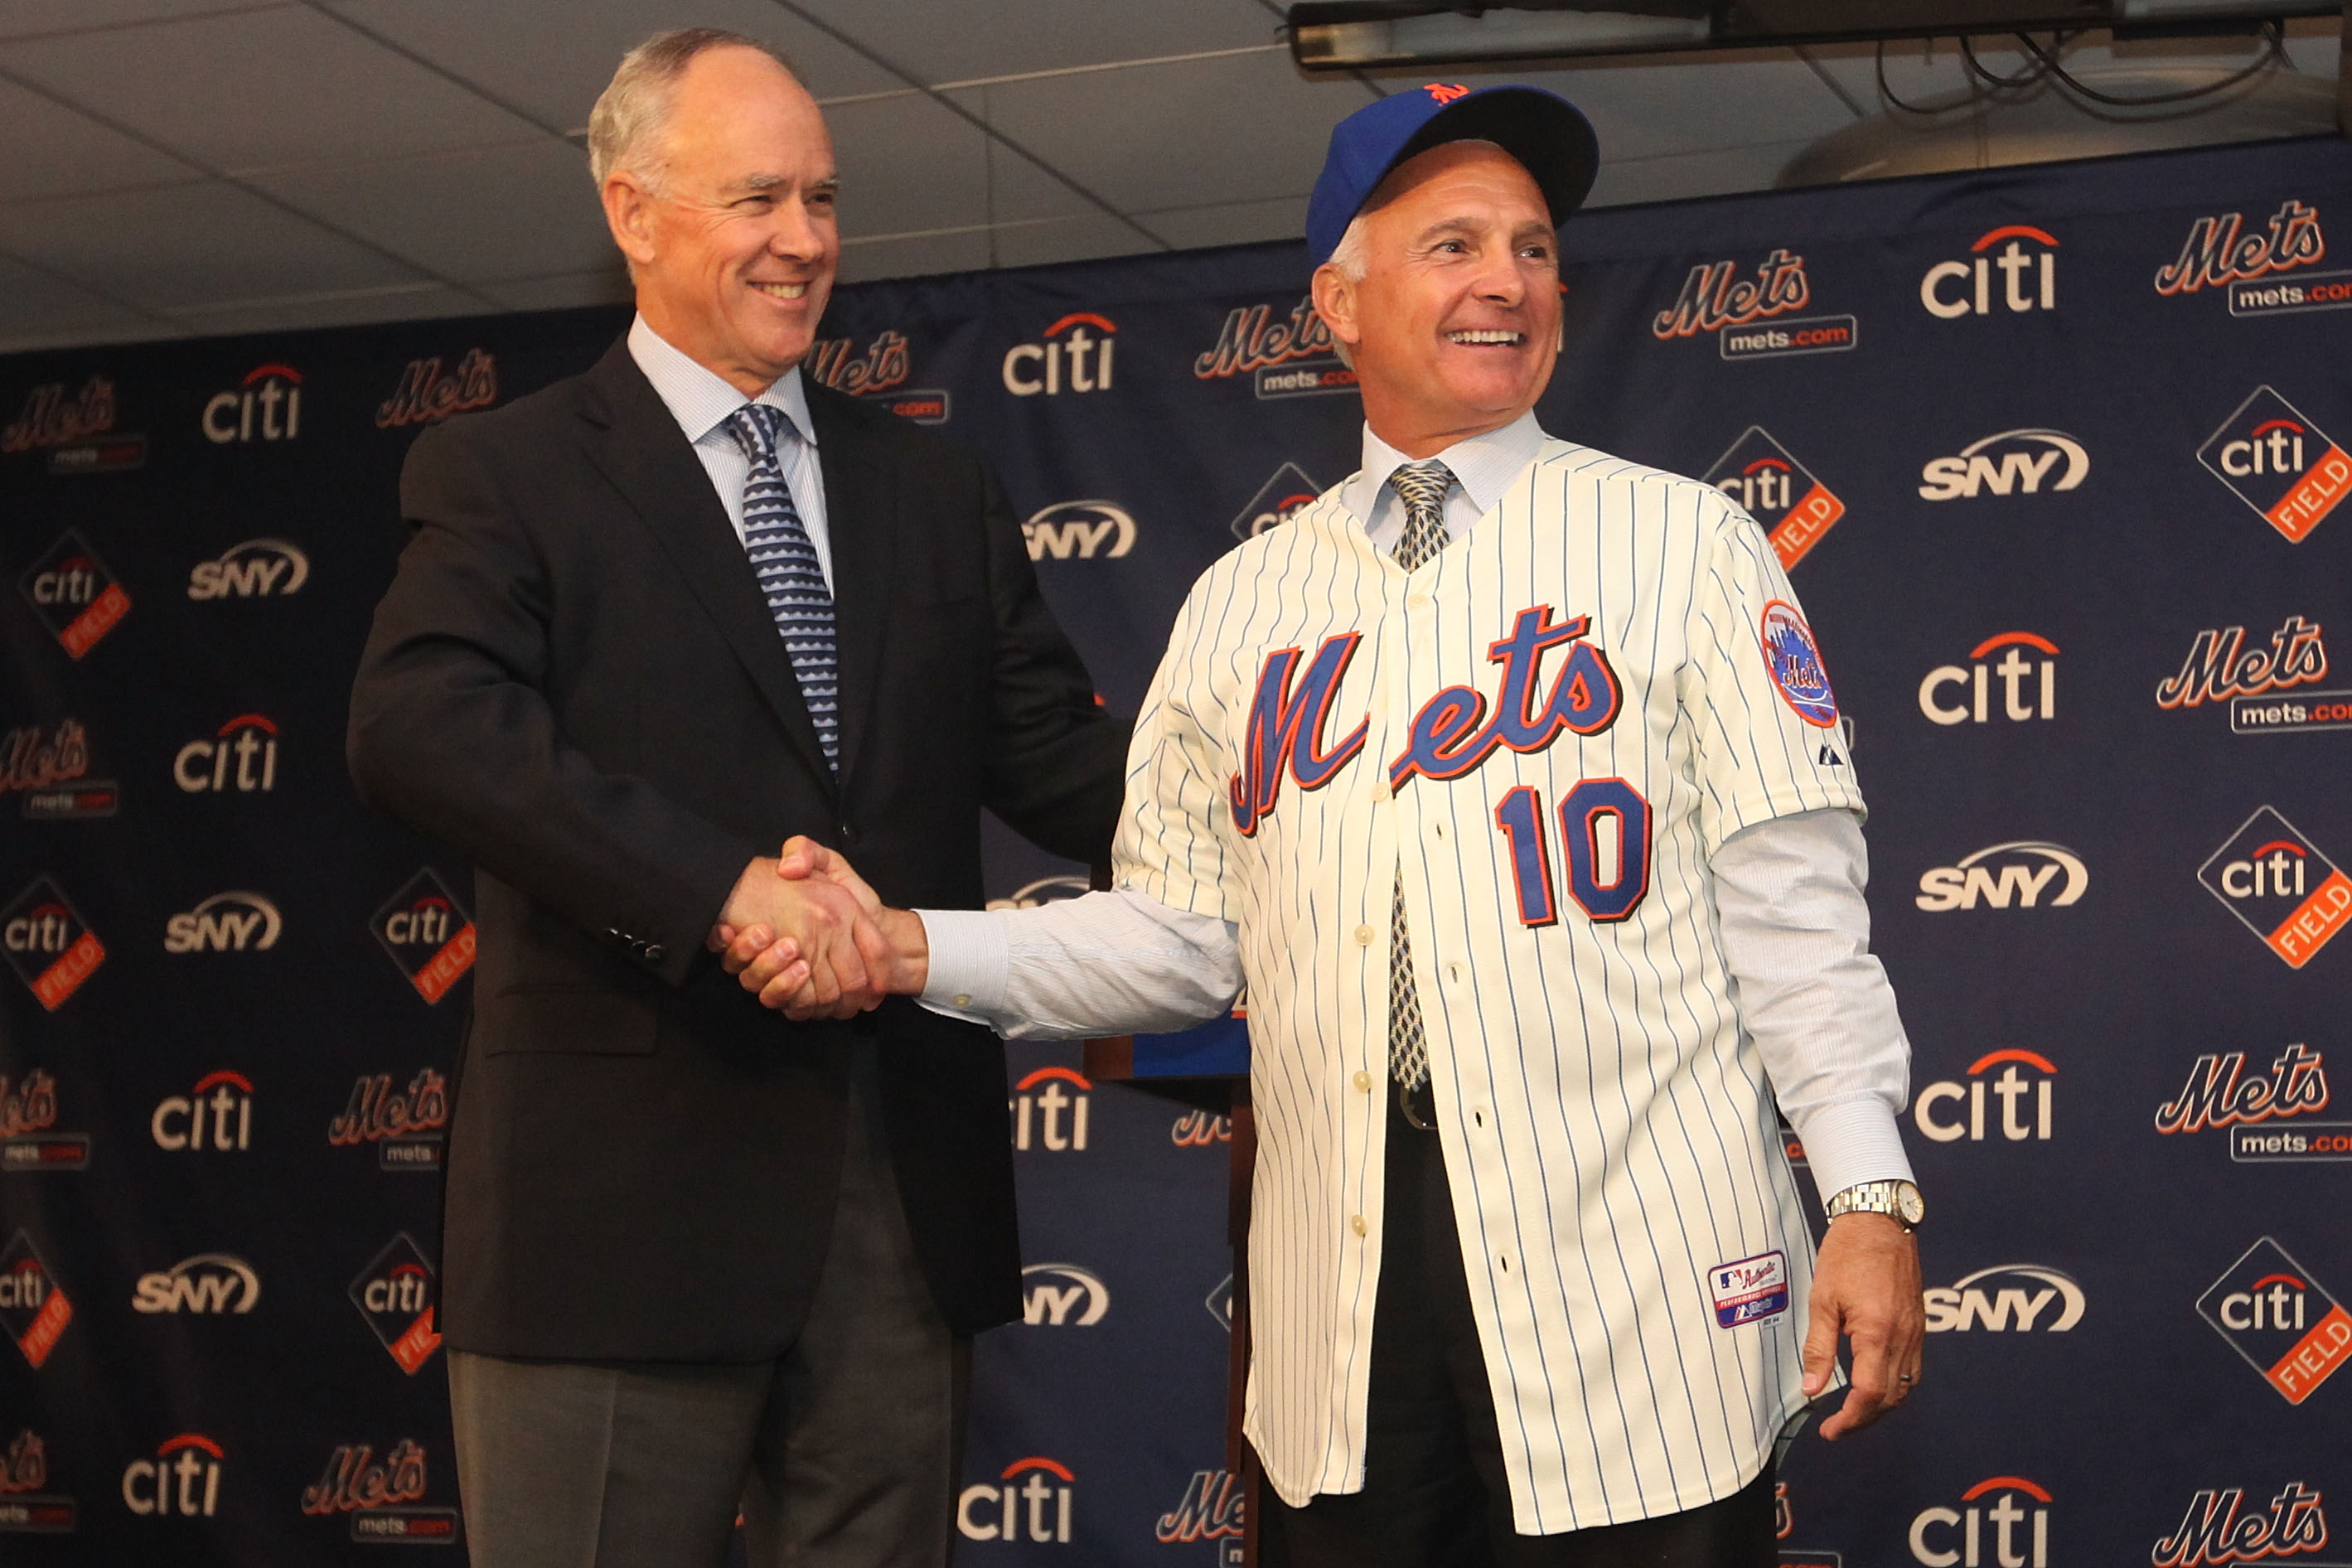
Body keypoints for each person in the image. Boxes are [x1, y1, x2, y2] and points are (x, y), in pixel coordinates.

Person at [722, 84, 1925, 1568]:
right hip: (1343, 1307)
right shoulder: (1244, 604)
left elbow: (1796, 920)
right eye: (1454, 244)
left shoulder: (1685, 545)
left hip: (1639, 1279)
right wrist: (909, 950)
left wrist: (1867, 1193)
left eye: (1534, 249)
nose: (1507, 281)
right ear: (1337, 303)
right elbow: (1173, 943)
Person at [344, 28, 1125, 1568]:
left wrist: (1323, 795)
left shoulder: (928, 489)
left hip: (899, 1197)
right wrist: (720, 891)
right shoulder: (507, 471)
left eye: (823, 198)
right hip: (614, 1217)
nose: (805, 239)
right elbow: (419, 723)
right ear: (634, 213)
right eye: (758, 195)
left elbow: (1059, 762)